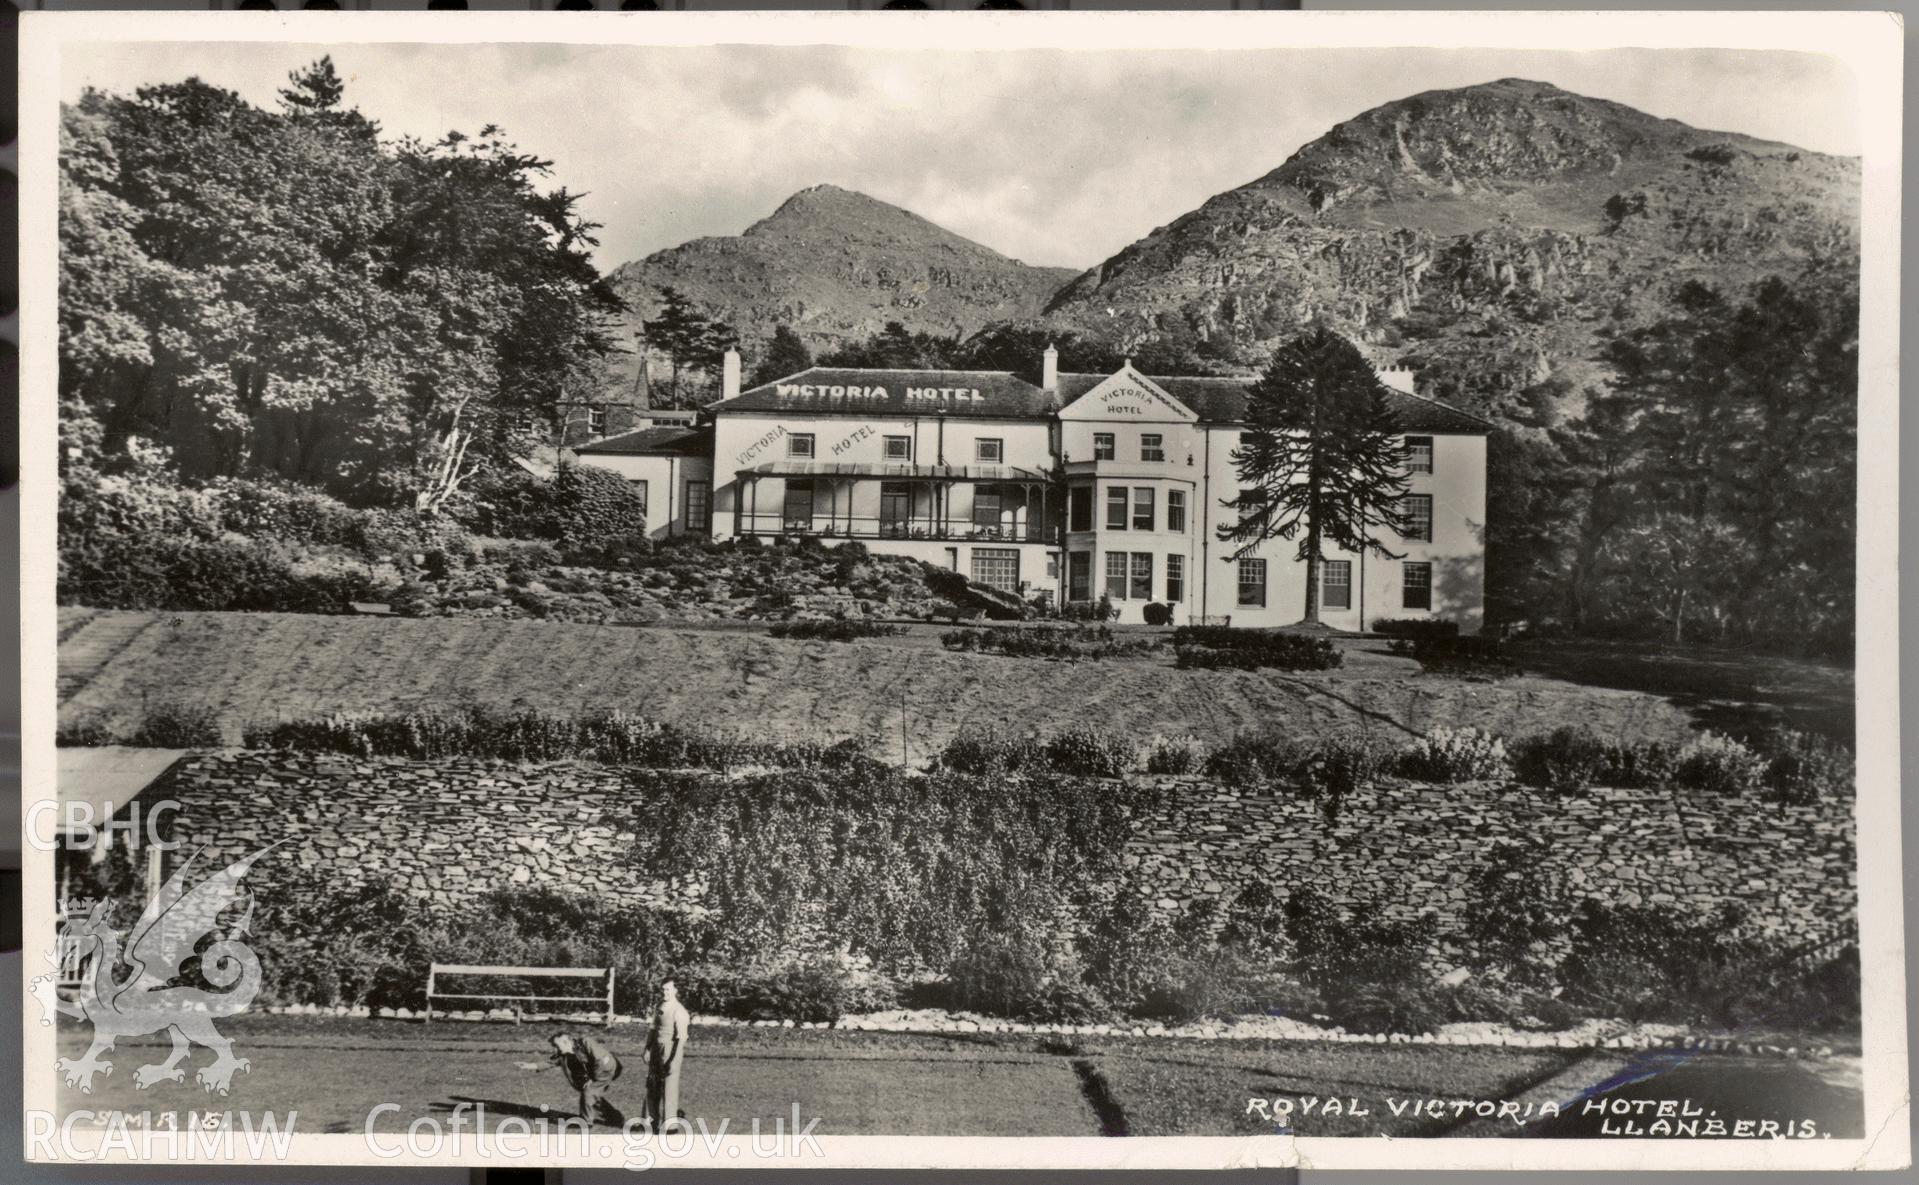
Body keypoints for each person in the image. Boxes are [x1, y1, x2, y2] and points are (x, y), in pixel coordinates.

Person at [548, 1030, 624, 1128]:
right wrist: (529, 1065)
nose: (555, 1048)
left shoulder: (585, 1042)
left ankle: (586, 1122)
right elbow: (551, 1062)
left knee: (588, 1092)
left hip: (607, 1068)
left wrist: (592, 1079)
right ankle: (616, 1118)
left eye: (556, 1045)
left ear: (566, 1042)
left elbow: (600, 1060)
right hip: (598, 1071)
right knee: (593, 1095)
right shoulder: (567, 1052)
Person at [643, 978, 690, 1130]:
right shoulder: (659, 1006)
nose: (665, 992)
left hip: (670, 1050)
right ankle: (652, 1121)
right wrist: (647, 1048)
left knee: (669, 1088)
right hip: (656, 1048)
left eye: (668, 989)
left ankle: (670, 1126)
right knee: (652, 1085)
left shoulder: (679, 1010)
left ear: (675, 991)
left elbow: (681, 1038)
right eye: (663, 989)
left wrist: (671, 1060)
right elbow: (652, 1028)